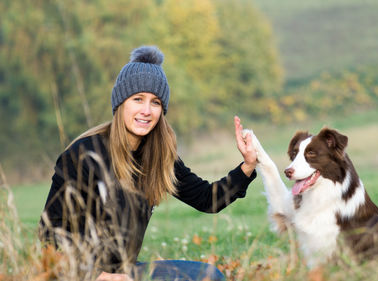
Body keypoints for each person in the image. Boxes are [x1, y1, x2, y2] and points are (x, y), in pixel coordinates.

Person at [38, 46, 257, 281]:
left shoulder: (159, 156)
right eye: (138, 99)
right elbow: (50, 236)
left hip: (127, 273)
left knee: (210, 276)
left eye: (155, 102)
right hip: (79, 275)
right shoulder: (83, 155)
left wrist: (247, 166)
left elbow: (207, 198)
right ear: (121, 103)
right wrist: (96, 275)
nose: (146, 110)